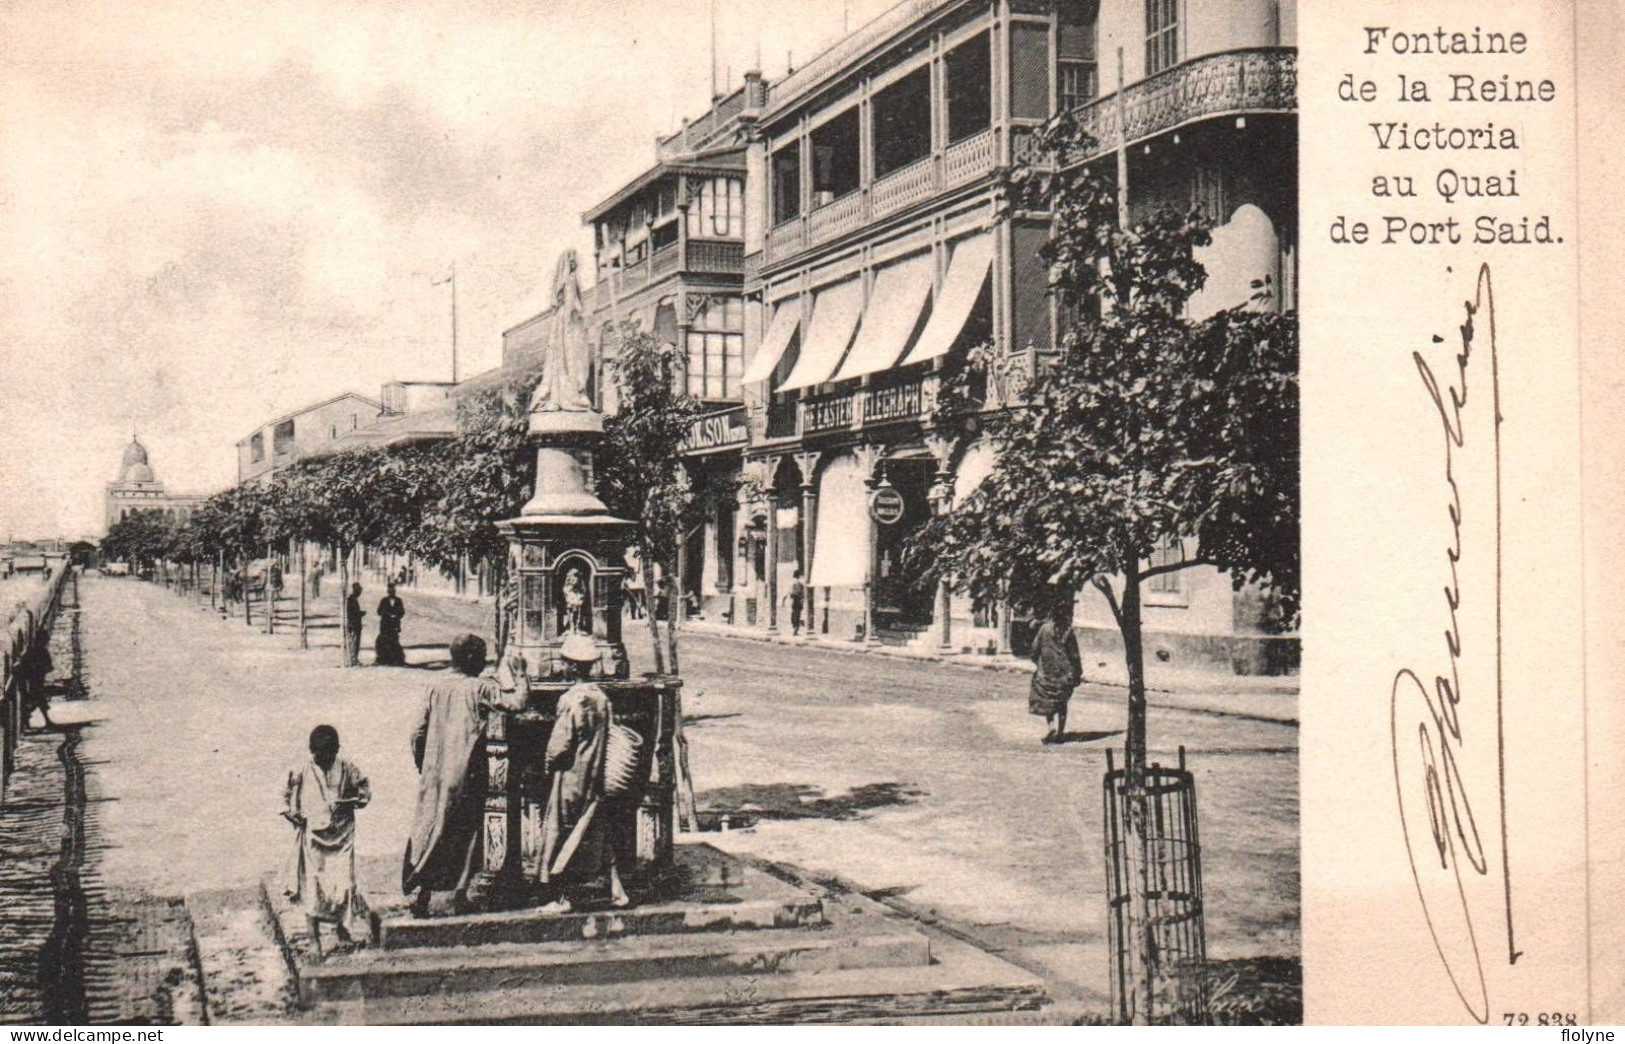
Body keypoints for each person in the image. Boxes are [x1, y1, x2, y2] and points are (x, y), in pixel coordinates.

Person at [403, 634, 527, 917]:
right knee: (464, 834)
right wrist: (521, 674)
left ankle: (423, 894)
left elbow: (416, 733)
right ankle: (458, 895)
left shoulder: (434, 685)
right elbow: (517, 703)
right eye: (481, 657)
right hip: (463, 775)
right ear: (472, 659)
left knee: (430, 830)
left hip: (434, 774)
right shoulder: (479, 688)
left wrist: (424, 764)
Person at [539, 634, 630, 913]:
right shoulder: (602, 698)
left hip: (571, 774)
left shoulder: (571, 700)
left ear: (570, 665)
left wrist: (548, 764)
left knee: (560, 831)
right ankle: (617, 890)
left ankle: (560, 896)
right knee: (596, 830)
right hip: (596, 773)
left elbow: (560, 744)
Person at [283, 725, 371, 961]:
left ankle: (342, 930)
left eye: (329, 756)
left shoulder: (346, 767)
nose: (324, 760)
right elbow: (284, 797)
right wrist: (292, 814)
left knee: (342, 885)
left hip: (342, 835)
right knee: (313, 887)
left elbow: (364, 790)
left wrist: (354, 800)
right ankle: (314, 942)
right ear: (313, 752)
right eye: (320, 756)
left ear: (335, 752)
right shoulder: (301, 769)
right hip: (313, 838)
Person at [1029, 602, 1083, 745]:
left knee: (1048, 700)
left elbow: (1034, 648)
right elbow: (1075, 654)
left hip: (1047, 671)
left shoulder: (1044, 629)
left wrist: (1038, 663)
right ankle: (1060, 732)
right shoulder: (1068, 631)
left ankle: (1051, 726)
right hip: (1065, 673)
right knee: (1062, 703)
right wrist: (1078, 671)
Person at [17, 633, 53, 729]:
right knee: (31, 702)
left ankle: (46, 720)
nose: (43, 644)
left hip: (38, 681)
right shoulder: (30, 653)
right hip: (29, 682)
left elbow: (50, 666)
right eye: (42, 641)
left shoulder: (44, 652)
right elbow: (23, 667)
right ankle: (27, 723)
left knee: (40, 701)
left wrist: (42, 668)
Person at [375, 583, 406, 667]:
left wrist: (396, 615)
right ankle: (384, 659)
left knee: (394, 641)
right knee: (384, 641)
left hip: (394, 624)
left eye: (393, 590)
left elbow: (402, 612)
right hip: (385, 624)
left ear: (395, 591)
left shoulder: (399, 601)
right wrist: (386, 614)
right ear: (387, 591)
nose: (391, 592)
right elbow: (379, 611)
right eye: (390, 590)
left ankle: (395, 659)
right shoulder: (383, 600)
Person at [344, 583, 365, 667]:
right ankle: (353, 659)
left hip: (356, 624)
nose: (360, 593)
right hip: (353, 624)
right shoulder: (351, 599)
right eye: (359, 591)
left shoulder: (353, 599)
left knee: (356, 642)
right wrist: (360, 613)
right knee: (353, 642)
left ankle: (354, 659)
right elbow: (351, 613)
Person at [787, 569, 807, 636]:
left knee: (793, 614)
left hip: (793, 600)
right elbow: (801, 593)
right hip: (797, 600)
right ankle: (795, 630)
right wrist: (802, 601)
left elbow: (789, 592)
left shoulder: (791, 582)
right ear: (798, 576)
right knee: (797, 615)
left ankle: (794, 629)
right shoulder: (799, 583)